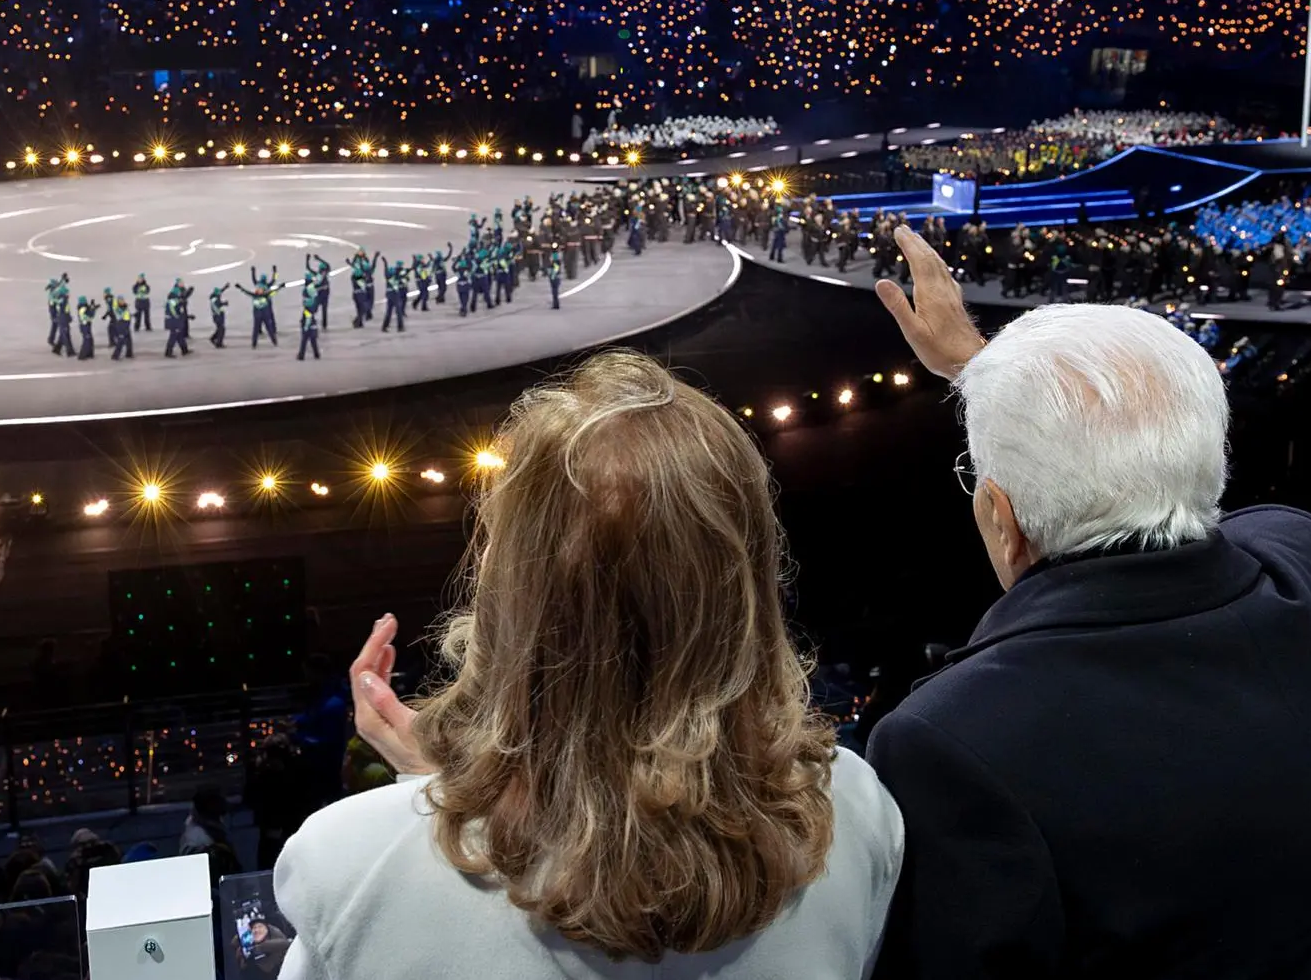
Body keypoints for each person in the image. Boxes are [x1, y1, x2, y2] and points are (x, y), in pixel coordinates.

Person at [273, 350, 903, 979]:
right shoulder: (857, 809)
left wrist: (428, 795)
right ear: (750, 583)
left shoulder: (348, 862)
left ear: (507, 596)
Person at [867, 226, 1311, 979]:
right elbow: (1202, 507)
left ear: (999, 519)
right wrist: (989, 372)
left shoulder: (949, 739)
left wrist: (982, 371)